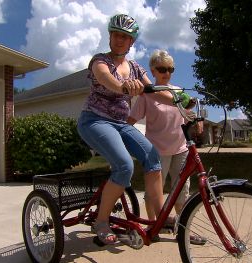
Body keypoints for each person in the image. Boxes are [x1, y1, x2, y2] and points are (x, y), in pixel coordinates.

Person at [77, 14, 174, 245]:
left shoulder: (135, 68)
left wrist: (180, 101)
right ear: (110, 36)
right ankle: (101, 221)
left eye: (126, 36)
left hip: (120, 124)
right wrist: (123, 87)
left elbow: (154, 90)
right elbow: (105, 78)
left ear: (132, 42)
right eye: (116, 34)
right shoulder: (100, 60)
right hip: (95, 121)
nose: (120, 39)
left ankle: (161, 216)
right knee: (124, 166)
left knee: (152, 156)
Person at [127, 50, 205, 244]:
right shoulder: (148, 94)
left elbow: (188, 114)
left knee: (182, 191)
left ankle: (184, 229)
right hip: (156, 151)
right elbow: (131, 120)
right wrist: (119, 137)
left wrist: (197, 120)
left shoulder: (178, 92)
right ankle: (152, 226)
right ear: (153, 70)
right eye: (162, 69)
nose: (167, 73)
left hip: (180, 148)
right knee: (155, 192)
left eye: (170, 69)